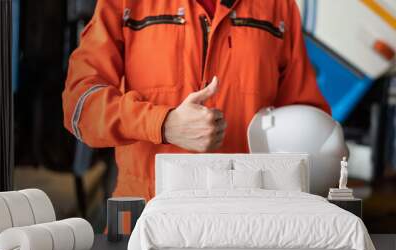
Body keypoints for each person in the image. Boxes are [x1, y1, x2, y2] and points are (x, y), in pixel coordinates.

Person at [62, 0, 331, 202]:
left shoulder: (277, 6)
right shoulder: (126, 3)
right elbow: (79, 107)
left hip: (248, 219)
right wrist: (162, 124)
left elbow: (308, 122)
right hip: (147, 216)